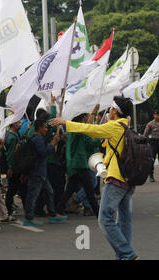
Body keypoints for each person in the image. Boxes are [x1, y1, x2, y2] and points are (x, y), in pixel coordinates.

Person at [50, 96, 139, 260]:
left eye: (111, 108)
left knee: (105, 218)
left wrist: (66, 123)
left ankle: (127, 254)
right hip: (129, 180)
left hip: (116, 179)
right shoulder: (127, 126)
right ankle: (124, 256)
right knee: (124, 220)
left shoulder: (114, 126)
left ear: (114, 111)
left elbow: (90, 129)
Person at [23, 118, 67, 227]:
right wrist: (53, 143)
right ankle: (29, 218)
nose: (46, 129)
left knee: (49, 192)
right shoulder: (37, 139)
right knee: (33, 196)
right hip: (37, 172)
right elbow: (43, 153)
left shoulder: (36, 138)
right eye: (45, 127)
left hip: (41, 171)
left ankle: (53, 215)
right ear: (40, 128)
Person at [56, 113, 100, 218]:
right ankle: (98, 213)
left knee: (70, 189)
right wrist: (98, 136)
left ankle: (59, 210)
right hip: (79, 163)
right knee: (89, 189)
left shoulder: (72, 130)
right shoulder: (78, 130)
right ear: (82, 119)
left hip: (73, 163)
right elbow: (91, 141)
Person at [143, 110, 159, 182]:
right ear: (154, 115)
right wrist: (147, 142)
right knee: (152, 159)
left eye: (158, 115)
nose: (157, 116)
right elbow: (145, 134)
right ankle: (151, 176)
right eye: (156, 114)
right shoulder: (150, 124)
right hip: (154, 142)